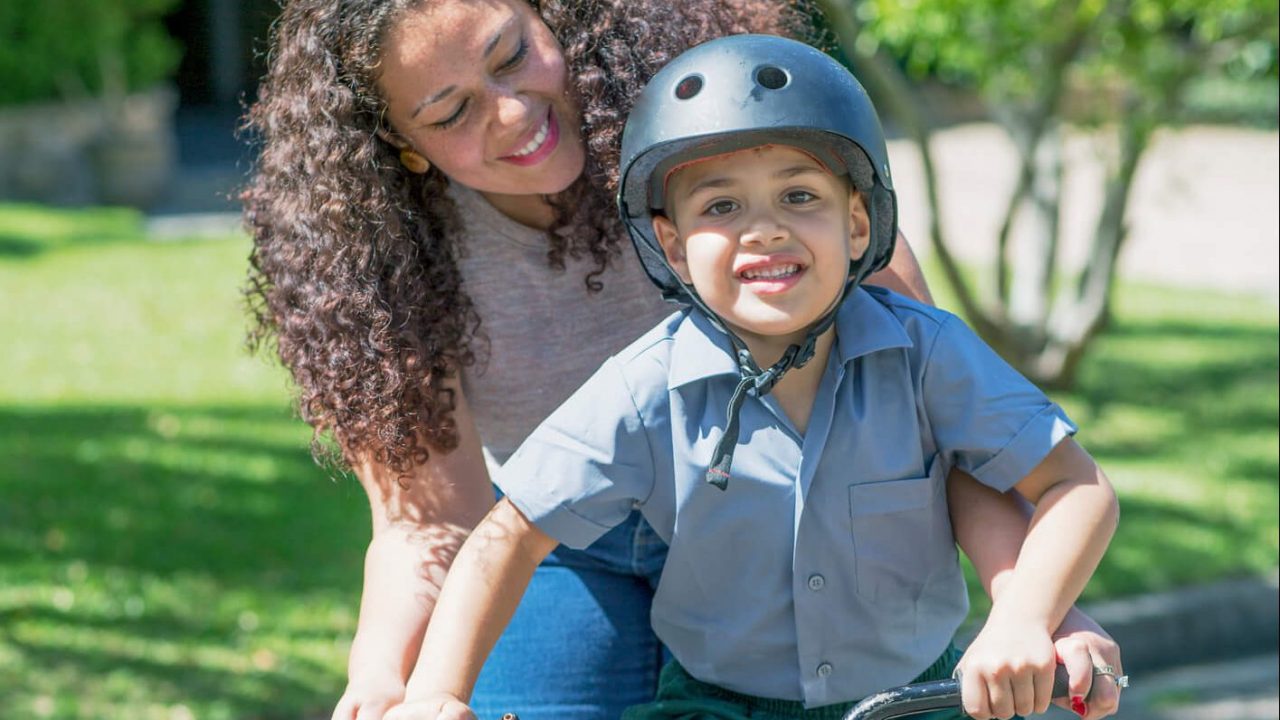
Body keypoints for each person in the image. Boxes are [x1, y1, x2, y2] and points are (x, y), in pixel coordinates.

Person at [240, 1, 1123, 718]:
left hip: (800, 516)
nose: (512, 112)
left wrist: (1040, 609)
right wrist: (389, 685)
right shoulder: (396, 263)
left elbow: (933, 438)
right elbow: (433, 527)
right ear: (403, 144)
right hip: (571, 536)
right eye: (451, 112)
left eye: (511, 56)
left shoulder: (728, 129)